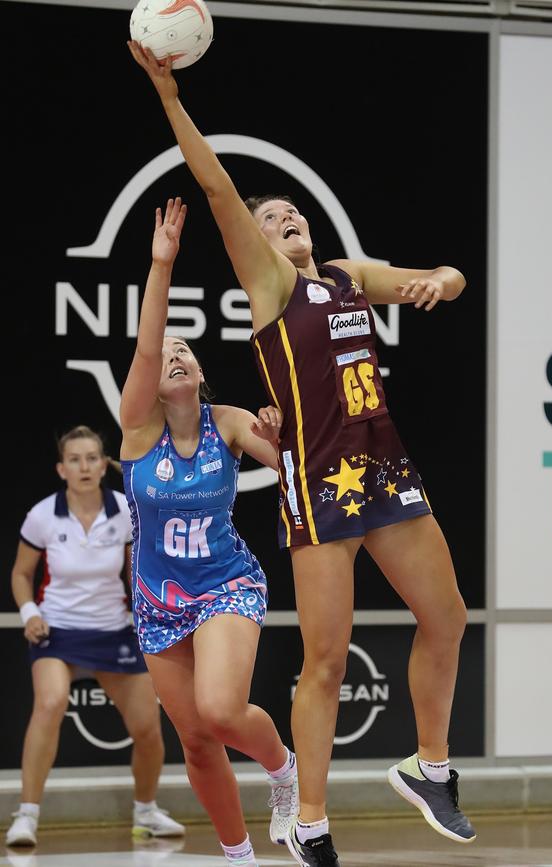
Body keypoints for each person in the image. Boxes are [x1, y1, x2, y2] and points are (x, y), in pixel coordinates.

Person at [128, 42, 476, 867]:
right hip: (320, 484)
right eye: (271, 219)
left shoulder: (348, 277)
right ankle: (310, 820)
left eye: (294, 216)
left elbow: (447, 275)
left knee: (449, 616)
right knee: (324, 659)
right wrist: (172, 100)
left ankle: (431, 767)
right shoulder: (273, 289)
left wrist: (441, 281)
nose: (286, 223)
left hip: (387, 469)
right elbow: (215, 187)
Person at [119, 195, 298, 867]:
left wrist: (281, 438)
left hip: (226, 582)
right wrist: (161, 264)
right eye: (163, 352)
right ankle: (239, 856)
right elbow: (144, 343)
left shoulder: (225, 421)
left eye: (184, 349)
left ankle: (283, 771)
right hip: (159, 601)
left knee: (222, 711)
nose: (173, 354)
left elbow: (294, 463)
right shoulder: (138, 429)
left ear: (196, 372)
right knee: (197, 742)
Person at [7, 425, 185, 848]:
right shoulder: (42, 515)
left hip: (113, 631)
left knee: (147, 728)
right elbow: (20, 574)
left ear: (104, 465)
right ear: (61, 468)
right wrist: (29, 612)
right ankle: (26, 816)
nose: (84, 467)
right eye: (74, 459)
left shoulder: (125, 509)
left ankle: (145, 813)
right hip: (56, 631)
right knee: (49, 702)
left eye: (92, 458)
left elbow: (136, 569)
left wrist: (142, 618)